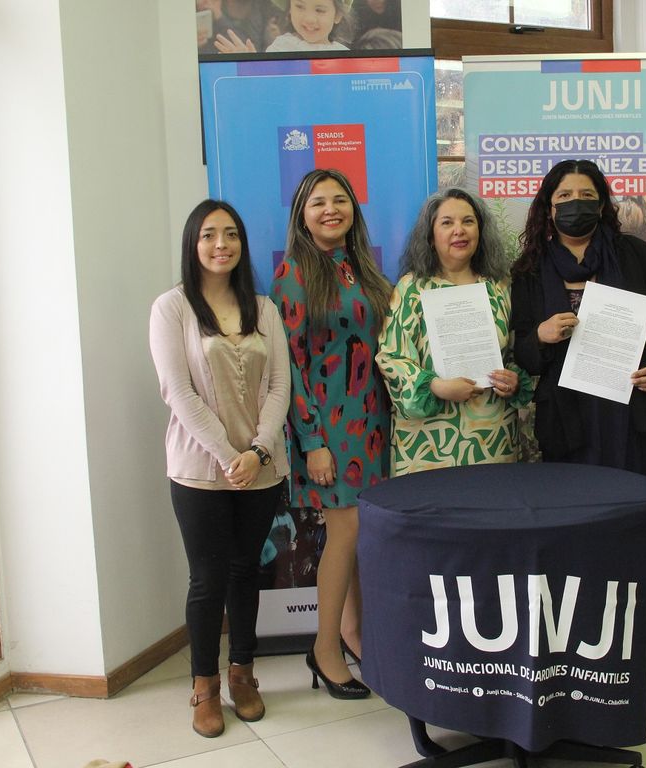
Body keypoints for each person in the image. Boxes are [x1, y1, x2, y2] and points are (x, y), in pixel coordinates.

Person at [149, 200, 290, 738]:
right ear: (193, 243)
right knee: (208, 580)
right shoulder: (172, 308)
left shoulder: (263, 308)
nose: (221, 244)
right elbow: (177, 391)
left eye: (230, 234)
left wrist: (257, 451)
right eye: (209, 235)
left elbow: (280, 385)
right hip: (198, 470)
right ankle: (203, 686)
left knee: (246, 570)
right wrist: (228, 455)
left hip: (261, 467)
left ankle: (244, 674)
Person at [270, 168, 392, 698]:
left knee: (361, 532)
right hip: (329, 428)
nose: (329, 209)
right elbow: (289, 367)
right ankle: (323, 649)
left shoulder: (360, 268)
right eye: (317, 202)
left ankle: (353, 633)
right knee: (345, 532)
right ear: (301, 214)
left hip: (373, 420)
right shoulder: (293, 275)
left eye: (339, 200)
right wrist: (312, 440)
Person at [510, 159, 646, 494]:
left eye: (586, 195)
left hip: (631, 415)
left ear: (601, 205)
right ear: (550, 207)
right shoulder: (529, 269)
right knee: (574, 516)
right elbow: (524, 356)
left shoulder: (637, 256)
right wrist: (541, 336)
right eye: (565, 196)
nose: (576, 203)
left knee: (632, 512)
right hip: (567, 420)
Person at [376, 189, 533, 476]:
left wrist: (512, 380)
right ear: (430, 235)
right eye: (447, 222)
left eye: (468, 221)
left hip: (491, 438)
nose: (459, 231)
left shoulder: (499, 288)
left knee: (489, 516)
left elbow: (514, 352)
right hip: (427, 442)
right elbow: (391, 358)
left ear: (480, 231)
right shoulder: (411, 289)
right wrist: (436, 386)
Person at [217, 0, 353, 52]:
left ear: (338, 15)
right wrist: (252, 66)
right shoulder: (282, 47)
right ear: (290, 9)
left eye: (320, 10)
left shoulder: (344, 56)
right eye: (300, 6)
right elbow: (267, 91)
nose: (309, 19)